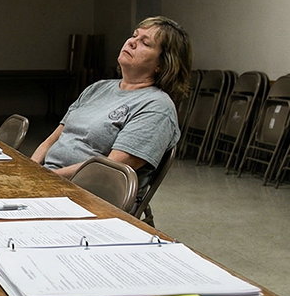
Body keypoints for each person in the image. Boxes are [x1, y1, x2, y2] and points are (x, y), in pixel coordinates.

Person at [32, 16, 192, 189]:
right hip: (49, 179)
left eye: (145, 43)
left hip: (87, 193)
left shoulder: (157, 107)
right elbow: (52, 140)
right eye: (134, 35)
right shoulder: (98, 88)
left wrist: (45, 178)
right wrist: (31, 170)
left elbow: (107, 169)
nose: (131, 42)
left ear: (163, 64)